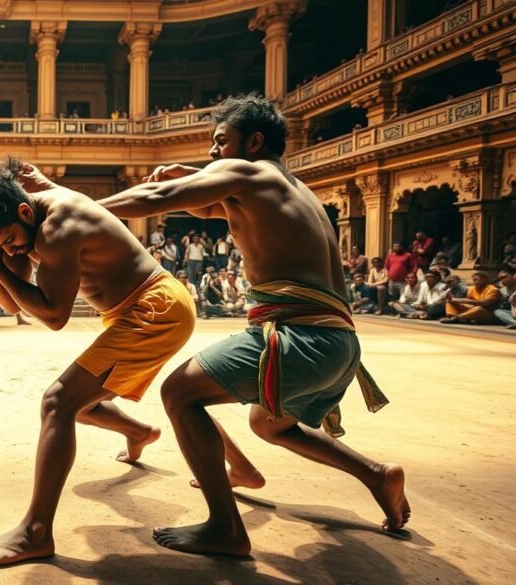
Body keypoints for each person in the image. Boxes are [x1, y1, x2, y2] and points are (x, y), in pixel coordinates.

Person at [95, 93, 407, 557]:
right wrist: (192, 176)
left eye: (221, 141)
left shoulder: (249, 173)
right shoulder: (292, 188)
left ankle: (225, 528)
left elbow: (156, 198)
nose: (213, 152)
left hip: (298, 339)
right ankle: (376, 474)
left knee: (179, 393)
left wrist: (66, 209)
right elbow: (204, 206)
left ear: (254, 142)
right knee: (271, 426)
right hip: (339, 345)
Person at [0, 156, 196, 568]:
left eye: (9, 240)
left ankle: (35, 532)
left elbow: (53, 316)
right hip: (133, 309)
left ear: (24, 212)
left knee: (58, 402)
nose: (10, 249)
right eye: (1, 246)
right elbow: (14, 304)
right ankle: (140, 431)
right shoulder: (22, 225)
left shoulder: (57, 226)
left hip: (156, 307)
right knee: (80, 404)